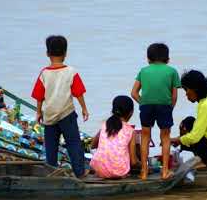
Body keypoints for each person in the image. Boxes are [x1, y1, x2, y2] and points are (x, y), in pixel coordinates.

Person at [31, 35, 90, 178]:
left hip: (50, 115)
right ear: (65, 53)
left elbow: (39, 96)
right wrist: (84, 108)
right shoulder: (71, 71)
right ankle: (80, 172)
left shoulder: (44, 73)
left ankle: (52, 172)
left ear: (47, 54)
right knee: (74, 143)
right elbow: (78, 93)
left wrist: (38, 112)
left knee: (51, 146)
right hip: (67, 113)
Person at [131, 43, 181, 180]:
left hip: (146, 106)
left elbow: (134, 93)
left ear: (148, 58)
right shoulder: (172, 71)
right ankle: (165, 172)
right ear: (167, 59)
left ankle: (144, 172)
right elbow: (174, 95)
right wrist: (170, 108)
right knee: (165, 137)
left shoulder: (143, 71)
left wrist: (143, 103)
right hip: (165, 106)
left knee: (145, 137)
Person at [170, 70, 207, 169]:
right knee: (188, 122)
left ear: (195, 89)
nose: (186, 94)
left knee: (189, 127)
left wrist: (177, 140)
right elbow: (198, 132)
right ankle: (200, 158)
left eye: (186, 90)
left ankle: (205, 162)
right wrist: (179, 141)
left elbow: (195, 137)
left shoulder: (206, 106)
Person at [89, 95, 140, 179]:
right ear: (131, 112)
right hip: (119, 171)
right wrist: (144, 166)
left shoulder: (105, 124)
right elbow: (134, 162)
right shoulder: (130, 131)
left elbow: (93, 145)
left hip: (98, 168)